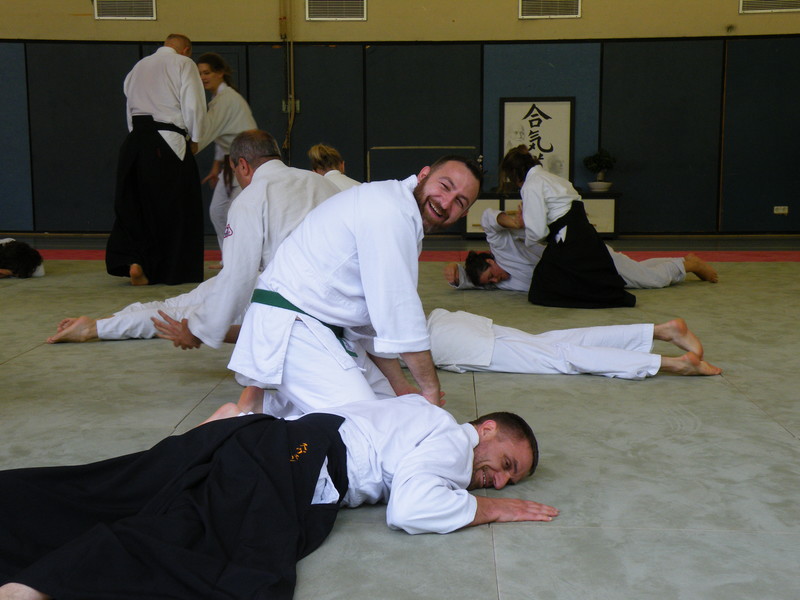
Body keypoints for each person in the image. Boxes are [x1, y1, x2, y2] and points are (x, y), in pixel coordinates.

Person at [0, 395, 558, 600]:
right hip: (295, 460)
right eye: (506, 464)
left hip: (257, 437)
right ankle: (35, 587)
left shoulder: (414, 411)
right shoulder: (455, 440)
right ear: (485, 429)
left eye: (510, 483)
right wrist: (492, 510)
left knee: (115, 487)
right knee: (215, 552)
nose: (498, 480)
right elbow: (410, 508)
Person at [228, 155, 483, 418]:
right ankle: (240, 419)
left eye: (459, 202)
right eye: (445, 186)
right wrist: (430, 391)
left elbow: (372, 324)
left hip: (323, 329)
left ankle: (257, 408)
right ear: (423, 175)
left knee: (396, 412)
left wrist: (401, 387)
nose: (445, 202)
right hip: (292, 325)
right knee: (364, 424)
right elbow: (400, 315)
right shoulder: (390, 210)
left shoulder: (401, 214)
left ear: (463, 214)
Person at [47, 130, 339, 349]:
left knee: (182, 313)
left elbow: (238, 277)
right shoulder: (321, 183)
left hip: (286, 299)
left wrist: (201, 330)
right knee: (182, 301)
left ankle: (94, 328)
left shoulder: (252, 197)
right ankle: (106, 320)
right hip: (328, 293)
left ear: (243, 165)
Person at [105, 33, 207, 287]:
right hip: (167, 139)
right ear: (186, 49)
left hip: (134, 142)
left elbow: (129, 106)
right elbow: (193, 104)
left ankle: (136, 261)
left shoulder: (138, 67)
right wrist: (196, 137)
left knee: (136, 204)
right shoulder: (183, 63)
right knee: (176, 206)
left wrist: (137, 138)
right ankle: (172, 270)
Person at [444, 208, 718, 290]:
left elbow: (489, 219)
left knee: (649, 280)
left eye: (492, 275)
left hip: (585, 256)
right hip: (582, 272)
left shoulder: (503, 250)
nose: (496, 281)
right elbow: (467, 279)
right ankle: (682, 260)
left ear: (491, 260)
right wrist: (456, 275)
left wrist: (513, 221)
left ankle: (688, 265)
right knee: (634, 273)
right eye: (490, 283)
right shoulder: (495, 282)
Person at [500, 145, 636, 308]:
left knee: (542, 289)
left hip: (568, 240)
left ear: (515, 174)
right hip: (585, 235)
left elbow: (537, 231)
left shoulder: (531, 185)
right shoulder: (552, 178)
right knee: (592, 278)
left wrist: (524, 226)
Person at [426, 308, 722, 379]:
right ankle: (659, 332)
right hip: (447, 323)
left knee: (560, 357)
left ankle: (672, 363)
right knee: (554, 343)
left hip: (448, 342)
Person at [194, 52, 258, 255]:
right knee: (218, 211)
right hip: (233, 164)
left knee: (239, 215)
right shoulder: (220, 98)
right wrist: (216, 168)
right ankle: (229, 258)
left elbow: (206, 133)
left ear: (220, 73)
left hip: (249, 163)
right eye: (199, 74)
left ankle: (243, 260)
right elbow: (222, 138)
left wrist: (182, 151)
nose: (203, 77)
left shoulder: (227, 99)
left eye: (207, 73)